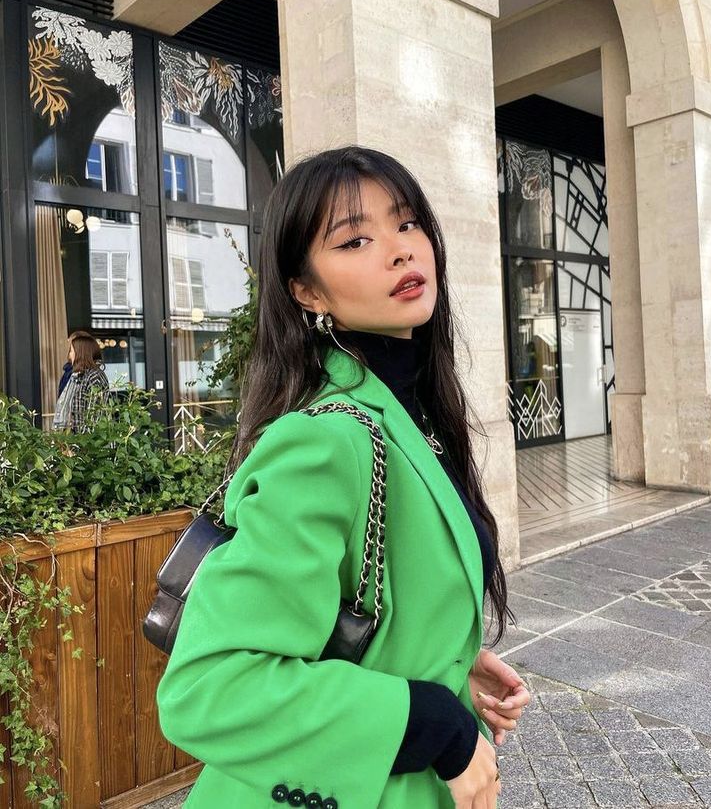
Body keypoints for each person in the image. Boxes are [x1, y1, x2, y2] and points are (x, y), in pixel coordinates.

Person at [155, 146, 530, 808]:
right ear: (307, 291)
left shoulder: (411, 414)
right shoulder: (325, 441)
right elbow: (211, 686)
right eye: (355, 239)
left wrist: (442, 660)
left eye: (406, 223)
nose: (400, 249)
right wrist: (433, 724)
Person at [52, 331, 109, 433]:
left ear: (80, 353)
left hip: (88, 440)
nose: (69, 355)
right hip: (75, 437)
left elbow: (94, 418)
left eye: (71, 351)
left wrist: (82, 440)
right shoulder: (78, 375)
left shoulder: (94, 376)